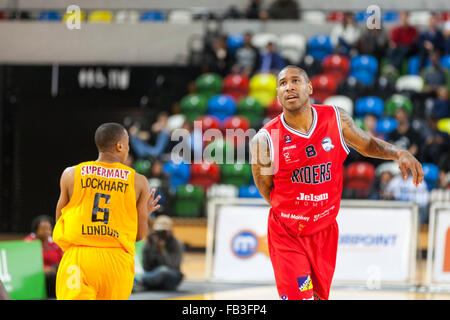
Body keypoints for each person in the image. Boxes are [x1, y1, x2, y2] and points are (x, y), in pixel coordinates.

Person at [250, 65, 423, 300]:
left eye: (295, 81)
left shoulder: (335, 118)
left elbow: (367, 144)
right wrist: (294, 210)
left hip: (325, 230)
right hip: (288, 233)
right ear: (278, 94)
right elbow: (265, 188)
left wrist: (398, 153)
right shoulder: (265, 139)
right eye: (282, 83)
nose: (289, 87)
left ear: (309, 87)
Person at [52, 122, 161, 300]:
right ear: (119, 145)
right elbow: (139, 235)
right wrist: (138, 216)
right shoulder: (139, 181)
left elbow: (59, 220)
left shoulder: (71, 174)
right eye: (127, 144)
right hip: (115, 262)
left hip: (79, 258)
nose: (127, 149)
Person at [135, 215, 184, 291]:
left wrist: (162, 251)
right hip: (152, 273)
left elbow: (173, 266)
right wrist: (151, 247)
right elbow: (146, 266)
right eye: (159, 231)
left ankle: (141, 282)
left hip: (171, 275)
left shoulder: (176, 244)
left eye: (164, 231)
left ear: (170, 231)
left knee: (163, 270)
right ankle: (144, 283)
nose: (161, 234)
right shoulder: (150, 242)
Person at [24, 215, 63, 298]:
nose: (46, 231)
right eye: (43, 228)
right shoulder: (29, 242)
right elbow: (27, 262)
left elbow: (62, 260)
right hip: (36, 274)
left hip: (54, 273)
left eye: (49, 228)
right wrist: (43, 269)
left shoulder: (55, 243)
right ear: (36, 230)